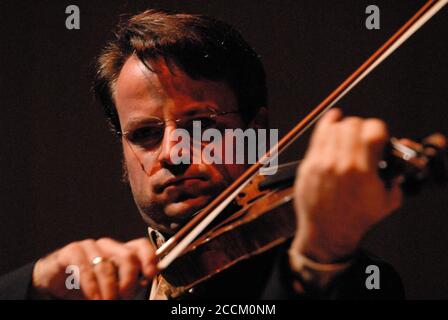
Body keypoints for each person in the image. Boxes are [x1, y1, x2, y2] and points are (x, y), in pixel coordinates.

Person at [0, 9, 404, 300]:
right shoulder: (106, 288)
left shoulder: (346, 279)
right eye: (145, 134)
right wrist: (35, 281)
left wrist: (318, 263)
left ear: (257, 132)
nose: (174, 153)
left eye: (201, 126)